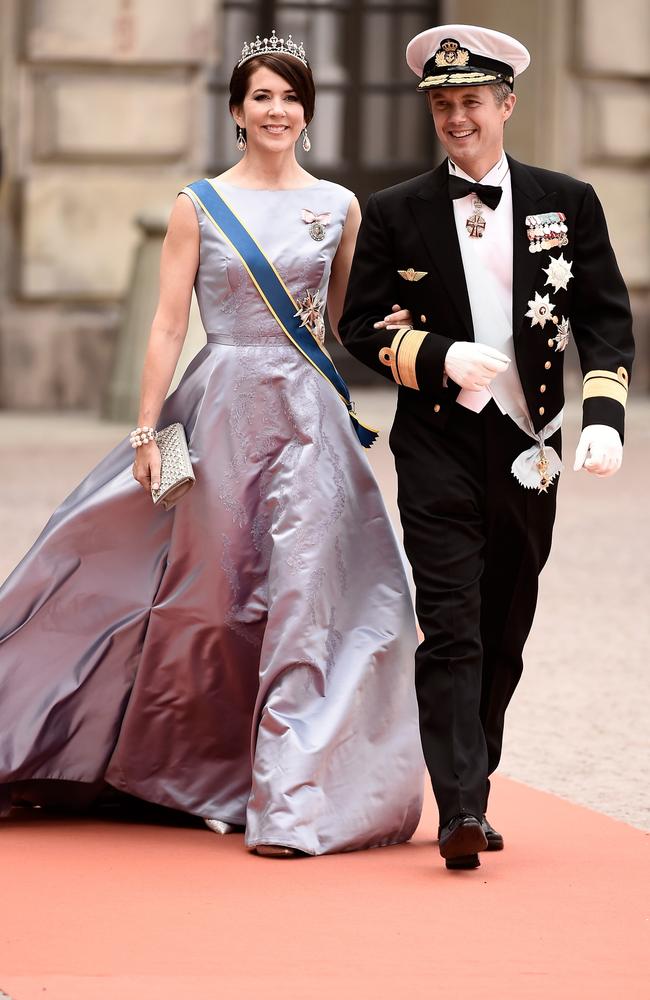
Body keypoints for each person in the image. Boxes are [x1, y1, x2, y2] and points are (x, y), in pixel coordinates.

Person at [0, 32, 424, 857]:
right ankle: (194, 774)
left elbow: (347, 323)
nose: (278, 110)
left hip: (307, 418)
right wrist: (149, 428)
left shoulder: (339, 205)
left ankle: (293, 801)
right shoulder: (198, 203)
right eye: (262, 96)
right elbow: (166, 324)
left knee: (308, 596)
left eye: (291, 96)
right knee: (214, 596)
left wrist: (409, 340)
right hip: (220, 408)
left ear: (308, 110)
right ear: (236, 111)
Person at [339, 24, 634, 870]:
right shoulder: (397, 211)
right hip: (436, 440)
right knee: (452, 625)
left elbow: (606, 324)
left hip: (529, 442)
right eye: (442, 104)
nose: (456, 117)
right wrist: (435, 357)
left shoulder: (566, 199)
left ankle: (479, 778)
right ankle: (461, 808)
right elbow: (358, 326)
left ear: (506, 104)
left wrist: (605, 418)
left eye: (471, 101)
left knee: (505, 624)